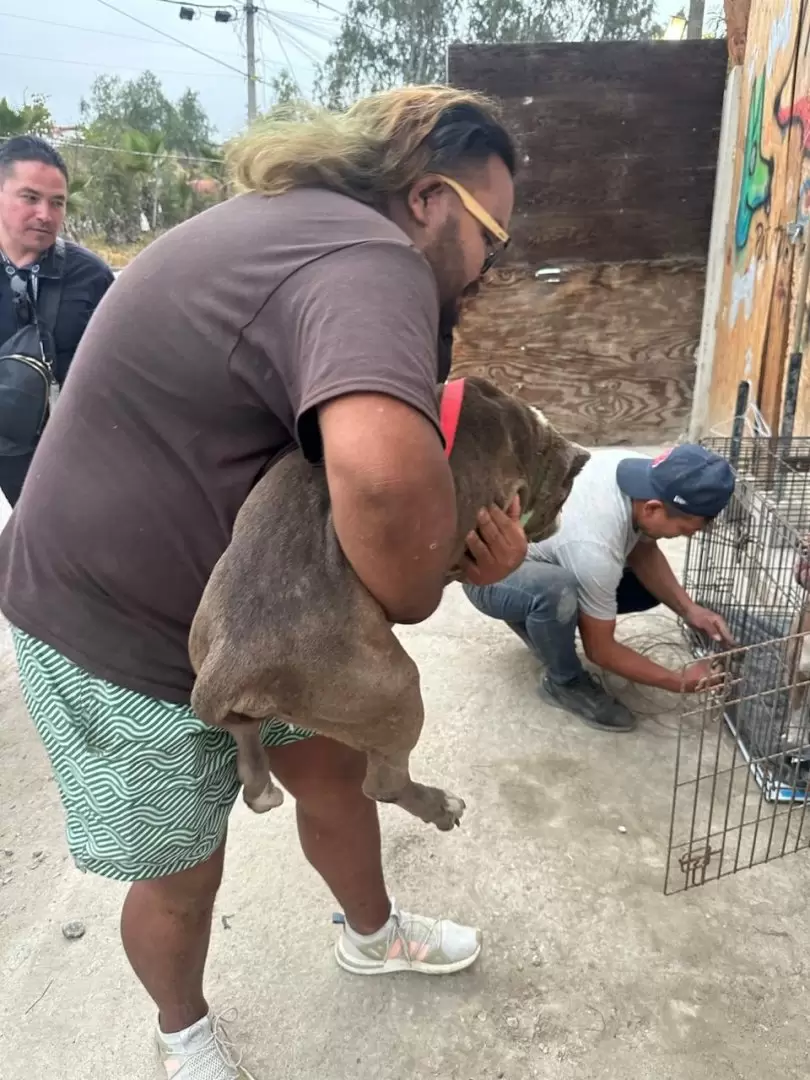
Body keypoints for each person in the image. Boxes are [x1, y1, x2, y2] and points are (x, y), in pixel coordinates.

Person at [0, 87, 529, 1079]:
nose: (490, 269)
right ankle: (182, 1031)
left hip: (255, 605)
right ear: (427, 200)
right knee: (182, 869)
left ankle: (371, 936)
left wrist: (469, 543)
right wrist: (422, 586)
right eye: (492, 238)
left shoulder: (308, 235)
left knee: (331, 769)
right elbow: (376, 473)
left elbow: (375, 452)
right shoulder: (365, 254)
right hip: (113, 627)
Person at [464, 445, 736, 732]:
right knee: (556, 591)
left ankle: (539, 622)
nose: (685, 536)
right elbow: (600, 651)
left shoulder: (644, 476)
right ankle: (564, 683)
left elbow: (642, 546)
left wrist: (690, 609)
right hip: (486, 575)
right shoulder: (594, 548)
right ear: (654, 508)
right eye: (684, 529)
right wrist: (678, 681)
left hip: (530, 552)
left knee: (644, 589)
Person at [0, 135, 114, 505]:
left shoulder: (92, 278)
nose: (45, 215)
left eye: (57, 202)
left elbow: (115, 377)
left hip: (63, 468)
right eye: (30, 197)